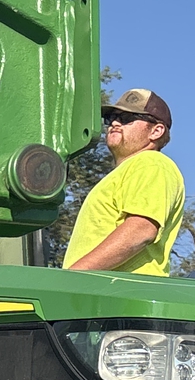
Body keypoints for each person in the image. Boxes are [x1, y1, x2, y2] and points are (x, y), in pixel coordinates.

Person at [63, 88, 185, 274]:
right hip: (100, 294)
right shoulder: (128, 171)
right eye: (111, 118)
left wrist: (71, 277)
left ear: (156, 131)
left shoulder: (152, 163)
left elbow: (140, 230)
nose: (115, 123)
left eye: (127, 118)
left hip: (119, 296)